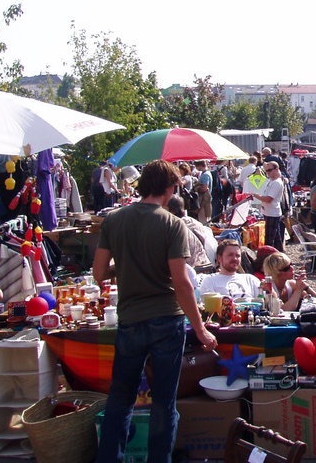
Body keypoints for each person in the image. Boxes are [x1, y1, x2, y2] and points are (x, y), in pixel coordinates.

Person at [92, 160, 217, 463]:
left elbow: (98, 273)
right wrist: (200, 328)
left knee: (120, 400)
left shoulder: (114, 220)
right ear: (168, 188)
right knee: (164, 402)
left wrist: (124, 265)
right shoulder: (172, 224)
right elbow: (182, 283)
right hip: (165, 317)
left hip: (131, 318)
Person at [166, 194, 215, 273]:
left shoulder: (176, 227)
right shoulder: (194, 222)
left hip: (193, 269)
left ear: (171, 210)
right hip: (207, 264)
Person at [259, 161, 285, 252]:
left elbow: (269, 199)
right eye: (266, 171)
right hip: (269, 212)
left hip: (272, 213)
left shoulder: (276, 183)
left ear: (276, 169)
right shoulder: (271, 181)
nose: (268, 173)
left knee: (269, 239)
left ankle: (268, 257)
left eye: (270, 170)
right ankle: (280, 254)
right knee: (276, 238)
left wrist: (256, 196)